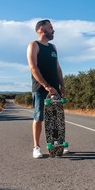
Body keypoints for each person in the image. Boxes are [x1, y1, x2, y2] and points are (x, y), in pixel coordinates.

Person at [27, 19, 65, 158]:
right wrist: (46, 86)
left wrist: (62, 85)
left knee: (56, 118)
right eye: (50, 28)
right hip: (41, 88)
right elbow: (33, 68)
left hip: (55, 88)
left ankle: (57, 144)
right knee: (39, 117)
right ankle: (36, 147)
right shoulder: (34, 45)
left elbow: (57, 67)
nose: (53, 30)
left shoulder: (53, 47)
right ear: (41, 29)